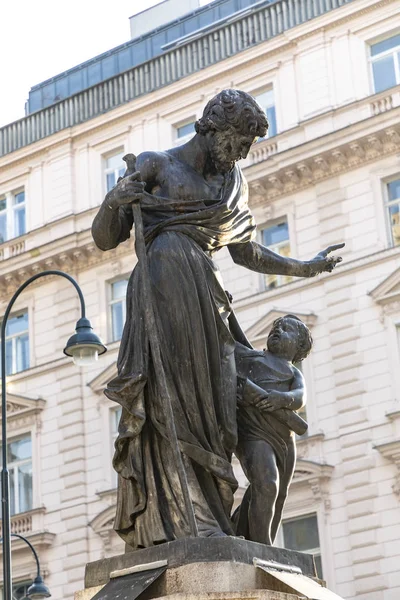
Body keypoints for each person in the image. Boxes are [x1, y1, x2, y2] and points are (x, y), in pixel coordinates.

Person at [91, 89, 343, 548]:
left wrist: (302, 267)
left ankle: (209, 517)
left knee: (213, 404)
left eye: (247, 148)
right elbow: (106, 238)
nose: (241, 155)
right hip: (161, 288)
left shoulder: (231, 184)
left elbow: (246, 251)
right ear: (211, 129)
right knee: (172, 400)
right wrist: (114, 200)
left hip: (206, 298)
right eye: (237, 143)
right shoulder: (156, 165)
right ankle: (177, 521)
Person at [234, 315, 312, 546]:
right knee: (267, 484)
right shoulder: (252, 357)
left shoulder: (293, 372)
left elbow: (300, 397)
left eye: (286, 329)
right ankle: (262, 546)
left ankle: (244, 529)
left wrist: (282, 399)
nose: (278, 329)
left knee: (280, 495)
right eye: (276, 326)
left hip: (285, 440)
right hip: (254, 433)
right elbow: (231, 338)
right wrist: (225, 310)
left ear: (298, 347)